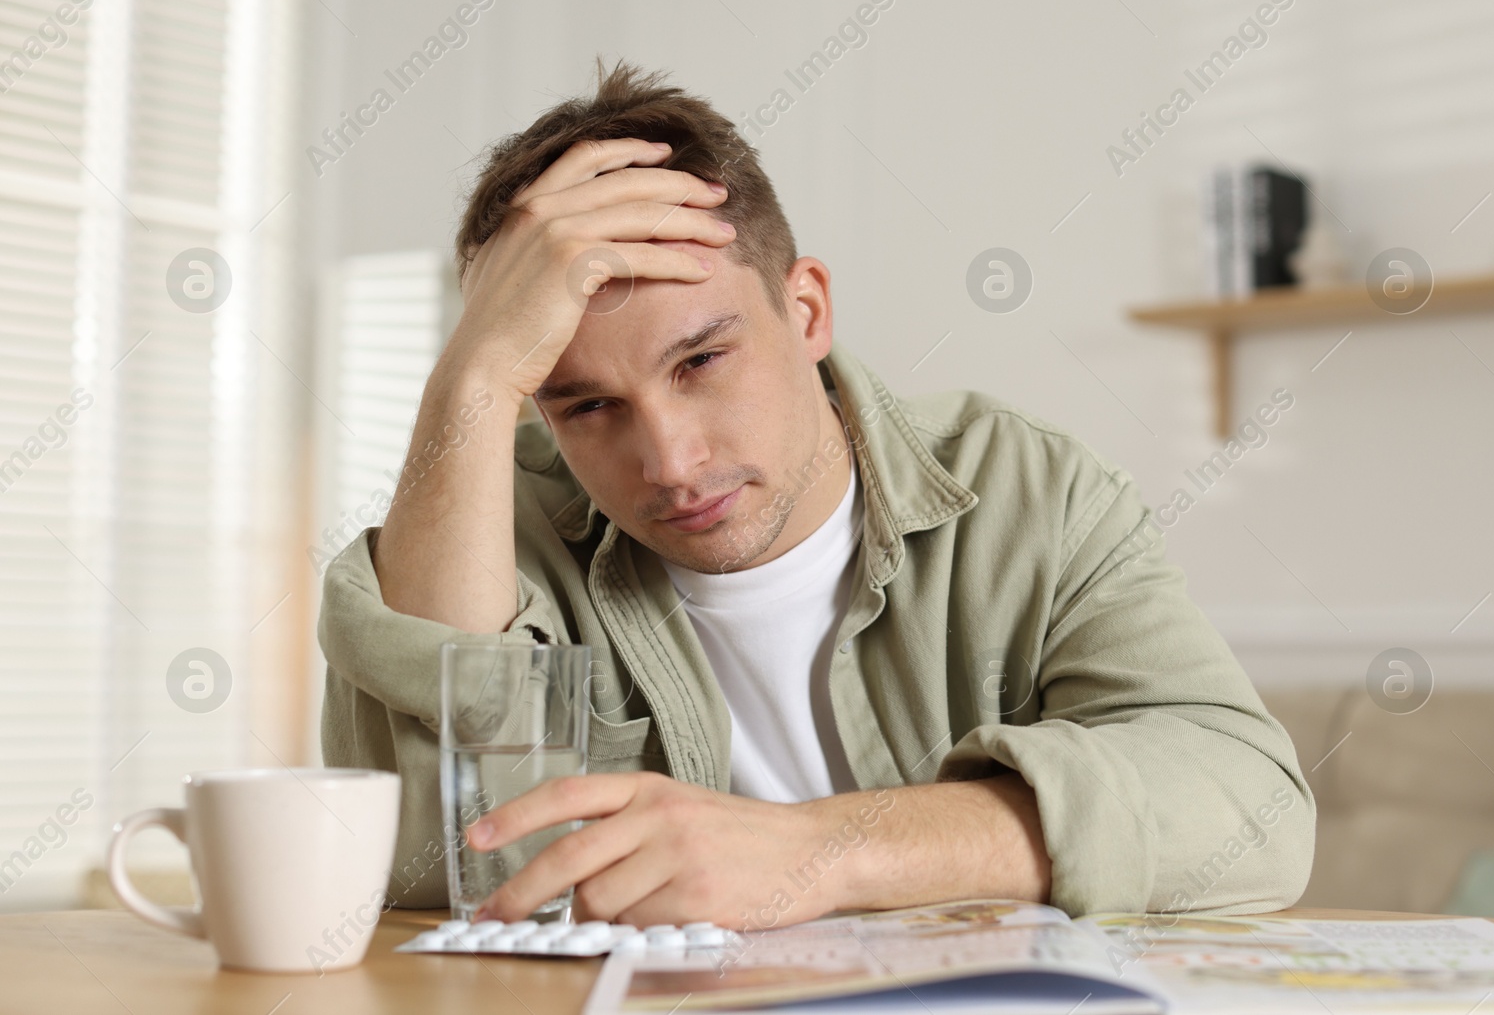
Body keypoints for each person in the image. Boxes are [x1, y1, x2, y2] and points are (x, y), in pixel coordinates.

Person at [319, 59, 1314, 928]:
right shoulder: (503, 527)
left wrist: (819, 850)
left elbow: (1249, 807)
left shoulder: (1028, 488)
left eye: (701, 359)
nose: (667, 459)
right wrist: (475, 378)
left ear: (805, 309)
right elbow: (430, 865)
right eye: (585, 406)